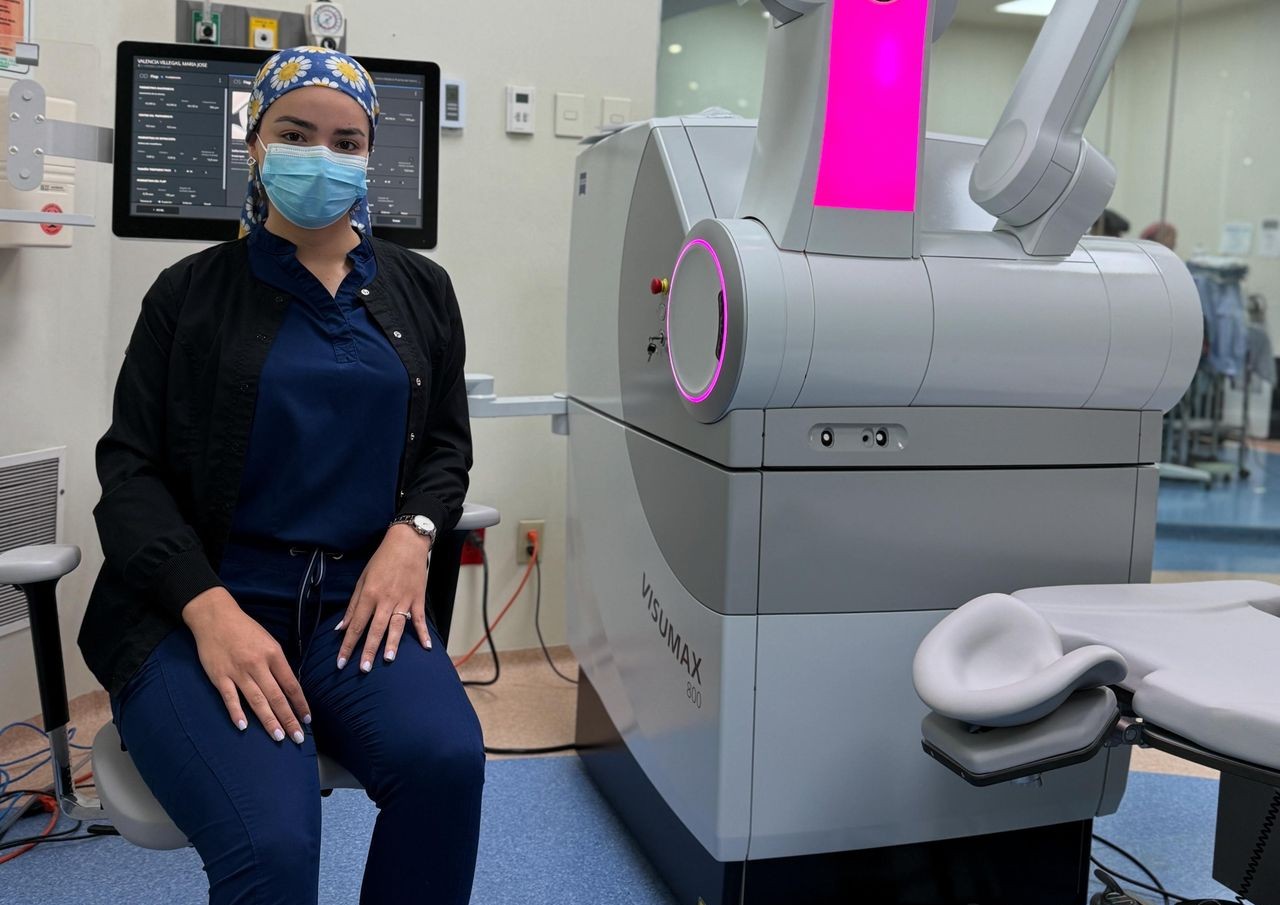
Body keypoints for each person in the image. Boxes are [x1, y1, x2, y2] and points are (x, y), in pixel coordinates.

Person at [76, 47, 484, 905]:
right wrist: (207, 607)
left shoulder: (423, 291)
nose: (320, 156)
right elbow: (130, 473)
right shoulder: (188, 295)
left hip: (357, 608)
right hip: (202, 608)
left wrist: (413, 537)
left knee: (446, 764)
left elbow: (445, 448)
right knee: (275, 842)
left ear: (371, 156)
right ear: (254, 143)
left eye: (345, 140)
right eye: (295, 133)